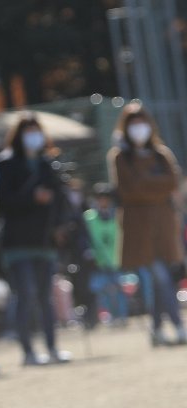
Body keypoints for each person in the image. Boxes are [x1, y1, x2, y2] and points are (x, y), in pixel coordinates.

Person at [0, 113, 72, 366]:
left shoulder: (49, 165)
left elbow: (60, 201)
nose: (33, 136)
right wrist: (32, 198)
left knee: (46, 296)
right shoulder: (6, 165)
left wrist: (60, 226)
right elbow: (1, 202)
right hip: (17, 243)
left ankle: (52, 347)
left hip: (45, 240)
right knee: (25, 294)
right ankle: (27, 350)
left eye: (36, 131)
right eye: (28, 131)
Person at [107, 102, 187, 346]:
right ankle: (178, 325)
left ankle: (156, 329)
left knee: (161, 280)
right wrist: (155, 185)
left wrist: (144, 183)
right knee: (160, 277)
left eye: (142, 122)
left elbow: (172, 182)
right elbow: (128, 191)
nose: (138, 128)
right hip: (139, 228)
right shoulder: (120, 157)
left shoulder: (161, 153)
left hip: (165, 226)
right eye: (133, 123)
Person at [84, 183, 128, 326]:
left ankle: (122, 316)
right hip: (98, 261)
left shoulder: (116, 215)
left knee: (118, 289)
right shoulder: (89, 217)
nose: (103, 201)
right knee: (102, 290)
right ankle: (109, 316)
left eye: (106, 198)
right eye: (100, 198)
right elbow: (85, 238)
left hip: (115, 258)